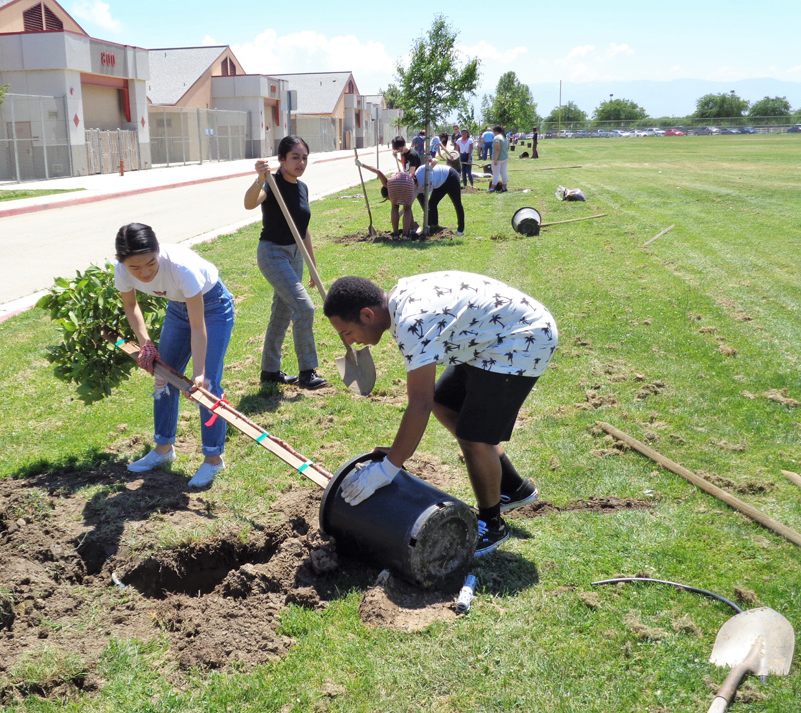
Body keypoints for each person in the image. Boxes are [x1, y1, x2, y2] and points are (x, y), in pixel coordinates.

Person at [323, 272, 557, 556]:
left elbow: (418, 403)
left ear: (367, 315)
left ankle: (492, 524)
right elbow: (429, 401)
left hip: (521, 339)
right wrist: (397, 452)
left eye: (348, 333)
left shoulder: (412, 322)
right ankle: (512, 487)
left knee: (476, 437)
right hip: (486, 338)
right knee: (444, 401)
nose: (351, 341)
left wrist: (388, 468)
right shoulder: (399, 301)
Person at [115, 223, 235, 488]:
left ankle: (213, 460)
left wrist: (200, 371)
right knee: (163, 376)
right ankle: (163, 449)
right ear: (121, 262)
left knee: (209, 386)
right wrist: (145, 343)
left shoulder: (182, 269)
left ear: (159, 251)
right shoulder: (122, 271)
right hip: (178, 309)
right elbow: (131, 305)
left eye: (150, 263)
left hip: (213, 307)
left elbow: (198, 325)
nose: (144, 273)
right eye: (135, 268)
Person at [243, 135, 328, 390]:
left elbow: (304, 229)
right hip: (272, 254)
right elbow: (249, 204)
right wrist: (259, 178)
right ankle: (307, 372)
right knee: (304, 308)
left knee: (281, 313)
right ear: (281, 159)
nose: (300, 162)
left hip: (295, 254)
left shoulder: (302, 188)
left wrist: (312, 264)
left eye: (304, 157)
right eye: (295, 157)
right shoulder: (272, 183)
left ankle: (270, 371)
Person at [356, 160, 417, 239]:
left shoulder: (388, 183)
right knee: (407, 209)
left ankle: (395, 234)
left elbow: (377, 172)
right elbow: (378, 171)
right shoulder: (388, 180)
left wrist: (361, 165)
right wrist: (362, 164)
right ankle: (405, 235)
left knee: (395, 207)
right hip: (408, 182)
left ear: (388, 191)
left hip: (397, 182)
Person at [413, 161, 465, 236]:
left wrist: (431, 160)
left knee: (457, 203)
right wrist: (399, 214)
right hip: (440, 184)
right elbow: (410, 202)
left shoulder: (421, 171)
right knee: (432, 203)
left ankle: (460, 230)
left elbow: (435, 161)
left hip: (450, 176)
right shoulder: (415, 188)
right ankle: (434, 227)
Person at [489, 126, 509, 193]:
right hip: (505, 157)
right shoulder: (505, 137)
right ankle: (504, 188)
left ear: (495, 131)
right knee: (504, 173)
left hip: (498, 159)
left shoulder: (497, 138)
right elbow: (508, 148)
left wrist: (495, 159)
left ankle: (492, 188)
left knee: (496, 174)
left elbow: (497, 149)